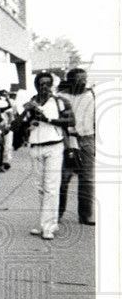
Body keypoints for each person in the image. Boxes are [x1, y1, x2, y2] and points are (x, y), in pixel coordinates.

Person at [13, 72, 75, 240]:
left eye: (48, 83)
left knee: (51, 187)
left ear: (52, 85)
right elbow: (16, 126)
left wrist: (48, 119)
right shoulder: (31, 103)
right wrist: (26, 115)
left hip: (54, 146)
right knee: (40, 188)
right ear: (36, 85)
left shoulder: (60, 102)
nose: (45, 87)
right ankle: (45, 223)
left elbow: (70, 122)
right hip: (35, 147)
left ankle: (49, 226)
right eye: (41, 84)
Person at [57, 68, 96, 225]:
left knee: (87, 179)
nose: (83, 82)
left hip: (87, 139)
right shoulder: (60, 97)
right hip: (67, 140)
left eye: (85, 79)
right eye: (80, 79)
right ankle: (57, 214)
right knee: (63, 179)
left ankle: (85, 215)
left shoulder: (92, 95)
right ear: (70, 80)